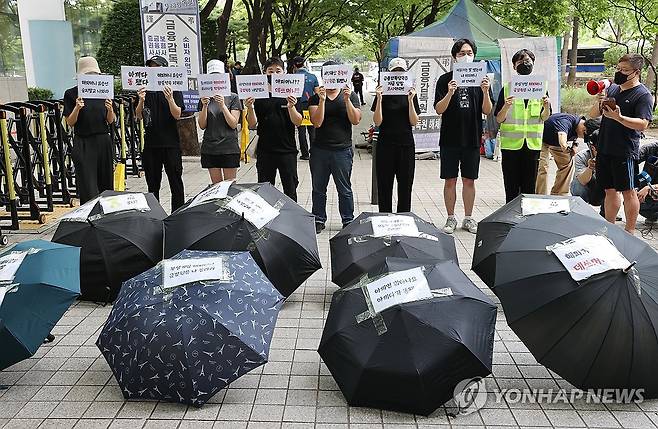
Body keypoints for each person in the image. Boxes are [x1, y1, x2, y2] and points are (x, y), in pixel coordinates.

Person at [588, 53, 654, 233]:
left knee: (629, 191)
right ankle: (608, 229)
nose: (620, 73)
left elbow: (643, 124)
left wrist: (620, 118)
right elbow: (593, 115)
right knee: (609, 191)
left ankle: (629, 232)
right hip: (605, 147)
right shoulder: (614, 89)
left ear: (636, 72)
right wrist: (599, 101)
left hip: (624, 150)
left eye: (625, 70)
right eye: (619, 69)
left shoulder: (643, 95)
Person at [434, 39, 493, 234]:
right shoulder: (445, 80)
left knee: (470, 180)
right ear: (454, 56)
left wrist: (485, 91)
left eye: (469, 52)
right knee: (449, 180)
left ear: (474, 55)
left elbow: (488, 110)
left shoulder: (481, 79)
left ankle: (468, 218)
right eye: (461, 53)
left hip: (472, 137)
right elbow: (438, 109)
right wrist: (450, 93)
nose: (465, 56)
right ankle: (450, 218)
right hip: (450, 138)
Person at [309, 60, 362, 233]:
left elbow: (355, 120)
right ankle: (318, 218)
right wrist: (323, 101)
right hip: (320, 150)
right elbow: (317, 122)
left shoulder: (351, 95)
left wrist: (347, 101)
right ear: (324, 76)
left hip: (343, 150)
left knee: (344, 188)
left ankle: (348, 219)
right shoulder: (316, 97)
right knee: (318, 188)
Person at [495, 49, 551, 203]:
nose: (525, 64)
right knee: (511, 186)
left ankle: (526, 218)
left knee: (529, 187)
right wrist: (506, 106)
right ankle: (510, 218)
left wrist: (546, 105)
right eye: (521, 62)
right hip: (511, 146)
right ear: (514, 66)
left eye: (528, 61)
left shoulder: (540, 87)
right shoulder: (507, 89)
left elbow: (544, 117)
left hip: (532, 146)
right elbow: (499, 119)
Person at [245, 57, 303, 201]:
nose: (274, 74)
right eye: (270, 71)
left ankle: (291, 221)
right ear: (264, 72)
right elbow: (252, 124)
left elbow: (298, 121)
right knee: (264, 191)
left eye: (278, 70)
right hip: (265, 150)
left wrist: (291, 107)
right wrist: (250, 107)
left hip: (287, 150)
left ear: (284, 72)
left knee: (290, 189)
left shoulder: (291, 92)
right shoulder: (257, 92)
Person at [135, 55, 185, 212]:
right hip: (151, 144)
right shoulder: (145, 89)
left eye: (156, 67)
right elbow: (138, 115)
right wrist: (141, 100)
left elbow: (177, 114)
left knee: (175, 182)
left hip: (171, 143)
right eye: (150, 67)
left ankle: (177, 214)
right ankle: (154, 215)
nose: (153, 69)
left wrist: (170, 99)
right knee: (152, 184)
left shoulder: (173, 88)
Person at [63, 56, 115, 204]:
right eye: (87, 74)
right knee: (88, 185)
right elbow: (70, 122)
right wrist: (77, 108)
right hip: (84, 141)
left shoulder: (104, 90)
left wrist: (110, 108)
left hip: (103, 140)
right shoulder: (71, 94)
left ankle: (107, 216)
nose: (91, 77)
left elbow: (111, 120)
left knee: (106, 182)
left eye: (94, 74)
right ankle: (89, 218)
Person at [372, 57, 420, 213]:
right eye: (395, 72)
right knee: (384, 185)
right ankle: (384, 218)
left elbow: (414, 121)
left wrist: (411, 100)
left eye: (401, 72)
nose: (397, 76)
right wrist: (379, 99)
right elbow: (377, 122)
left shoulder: (410, 92)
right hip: (385, 143)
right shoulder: (382, 91)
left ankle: (404, 218)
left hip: (406, 144)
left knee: (405, 186)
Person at [197, 59, 242, 184]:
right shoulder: (203, 98)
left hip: (229, 147)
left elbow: (233, 123)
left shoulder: (233, 97)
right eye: (212, 76)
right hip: (210, 148)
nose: (215, 80)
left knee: (230, 187)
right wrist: (204, 106)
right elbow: (202, 125)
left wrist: (222, 106)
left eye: (218, 76)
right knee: (216, 187)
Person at [535, 113, 587, 196]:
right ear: (583, 129)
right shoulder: (565, 121)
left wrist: (574, 145)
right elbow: (562, 141)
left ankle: (558, 194)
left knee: (568, 163)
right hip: (542, 139)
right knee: (542, 167)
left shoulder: (579, 125)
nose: (583, 138)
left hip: (555, 142)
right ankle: (540, 196)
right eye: (584, 137)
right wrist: (566, 148)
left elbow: (575, 137)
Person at [292, 56, 319, 160]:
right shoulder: (312, 77)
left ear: (294, 65)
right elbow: (317, 93)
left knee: (301, 130)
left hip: (297, 106)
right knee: (312, 130)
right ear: (304, 64)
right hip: (310, 106)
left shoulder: (291, 78)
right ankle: (314, 152)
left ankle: (305, 154)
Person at [571, 129, 605, 209]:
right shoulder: (582, 156)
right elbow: (582, 181)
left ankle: (607, 210)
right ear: (593, 148)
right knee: (577, 183)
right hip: (589, 190)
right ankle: (580, 209)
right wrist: (590, 168)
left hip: (604, 191)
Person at [636, 141, 658, 223]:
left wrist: (650, 188)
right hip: (647, 195)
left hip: (651, 189)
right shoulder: (650, 148)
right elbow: (632, 159)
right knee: (632, 201)